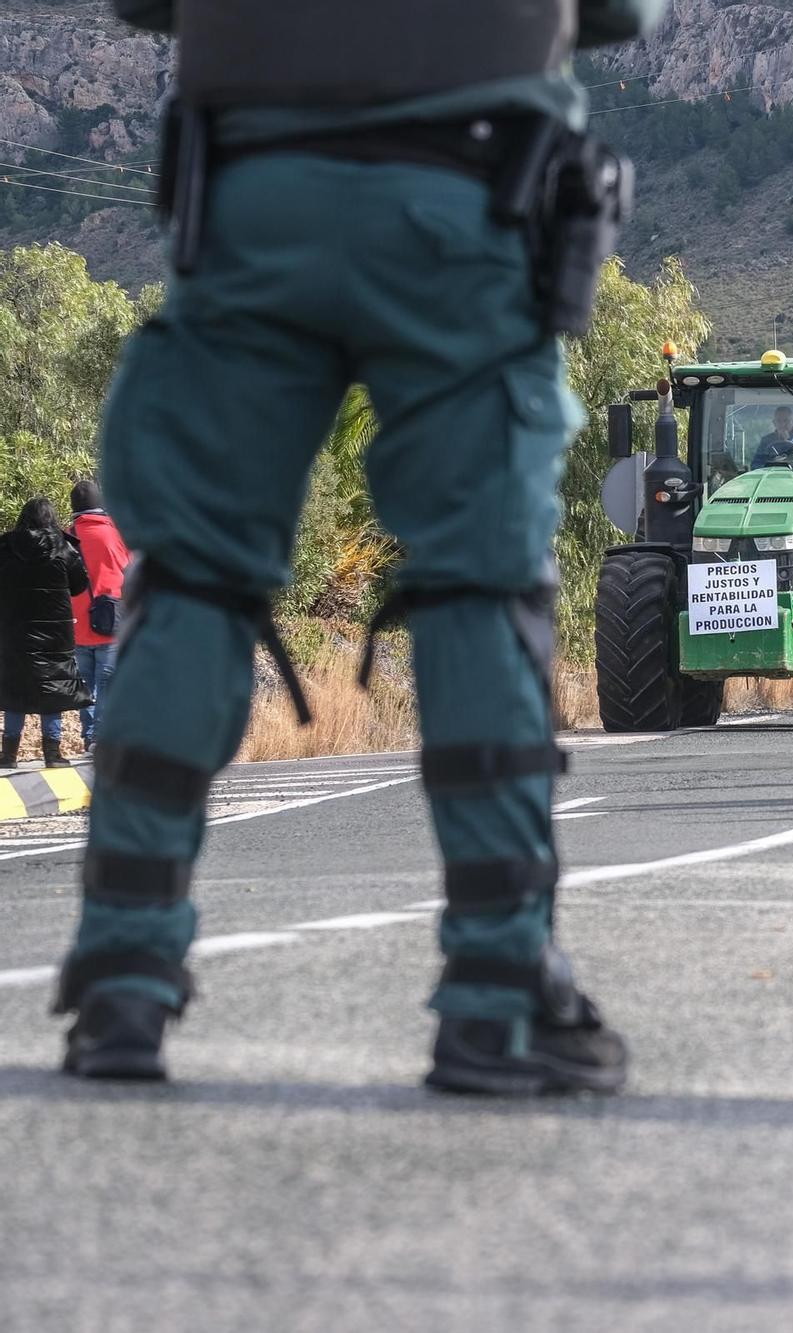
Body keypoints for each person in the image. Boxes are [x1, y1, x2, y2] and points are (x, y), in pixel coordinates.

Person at [52, 0, 667, 1088]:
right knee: (482, 587)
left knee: (191, 579)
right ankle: (496, 997)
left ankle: (120, 986)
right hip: (470, 198)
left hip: (250, 194)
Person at [0, 497, 91, 769]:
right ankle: (52, 753)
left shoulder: (6, 547)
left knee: (15, 689)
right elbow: (78, 587)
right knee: (54, 687)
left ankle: (8, 755)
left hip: (15, 630)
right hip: (56, 632)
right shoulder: (64, 548)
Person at [68, 479, 130, 754]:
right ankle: (99, 738)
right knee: (107, 682)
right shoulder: (115, 535)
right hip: (110, 621)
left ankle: (89, 736)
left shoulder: (66, 537)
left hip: (77, 624)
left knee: (85, 685)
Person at [752, 406, 793, 471]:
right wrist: (772, 462)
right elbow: (756, 464)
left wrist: (789, 440)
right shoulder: (766, 441)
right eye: (779, 421)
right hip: (773, 476)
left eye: (786, 420)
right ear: (774, 423)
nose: (782, 424)